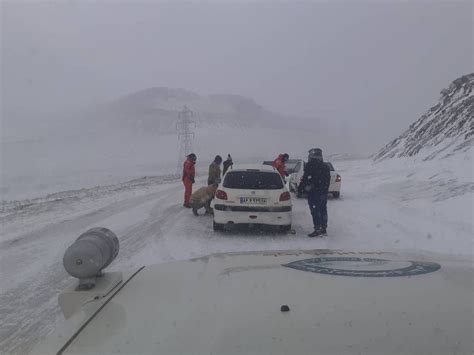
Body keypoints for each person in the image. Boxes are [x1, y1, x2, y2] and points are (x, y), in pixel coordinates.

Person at [298, 148, 331, 237]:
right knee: (323, 210)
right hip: (323, 192)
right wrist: (325, 190)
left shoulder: (310, 166)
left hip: (314, 193)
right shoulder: (325, 167)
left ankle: (318, 229)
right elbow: (328, 180)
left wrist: (301, 189)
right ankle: (323, 228)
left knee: (315, 211)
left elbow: (305, 179)